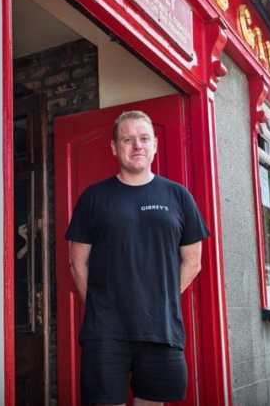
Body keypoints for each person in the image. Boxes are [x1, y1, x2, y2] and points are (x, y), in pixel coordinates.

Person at [66, 110, 209, 406]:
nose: (137, 146)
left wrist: (161, 297)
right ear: (114, 148)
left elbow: (193, 261)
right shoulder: (93, 198)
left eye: (144, 139)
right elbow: (76, 263)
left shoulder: (178, 196)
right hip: (105, 332)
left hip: (160, 329)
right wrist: (99, 304)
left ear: (155, 144)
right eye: (127, 139)